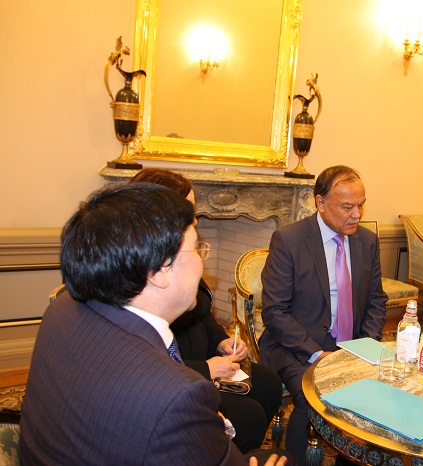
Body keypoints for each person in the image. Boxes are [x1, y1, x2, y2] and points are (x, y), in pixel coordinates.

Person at [20, 183, 291, 466]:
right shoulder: (178, 396)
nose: (201, 263)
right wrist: (195, 422)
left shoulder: (62, 308)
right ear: (160, 269)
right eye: (195, 248)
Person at [130, 168, 283, 453]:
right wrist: (206, 369)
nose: (196, 220)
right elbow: (145, 362)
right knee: (248, 416)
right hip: (182, 372)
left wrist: (221, 342)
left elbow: (202, 314)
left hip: (205, 361)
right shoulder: (146, 275)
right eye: (187, 211)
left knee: (269, 384)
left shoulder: (179, 256)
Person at [260, 165, 387, 464]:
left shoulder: (367, 241)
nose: (357, 214)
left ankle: (350, 459)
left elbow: (376, 300)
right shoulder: (289, 240)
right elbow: (275, 311)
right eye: (347, 206)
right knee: (313, 397)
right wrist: (316, 353)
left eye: (361, 205)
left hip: (351, 345)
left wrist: (366, 345)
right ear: (320, 202)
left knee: (385, 390)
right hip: (296, 345)